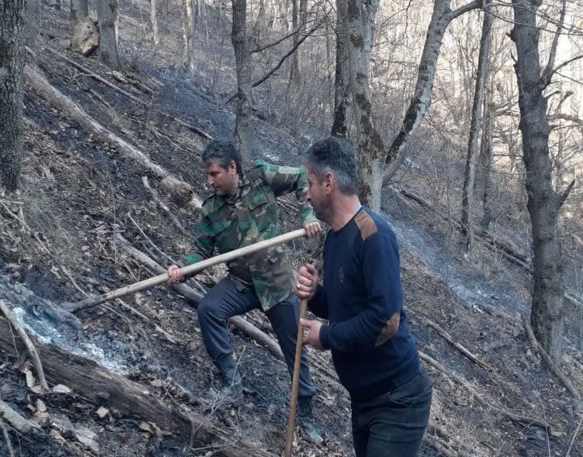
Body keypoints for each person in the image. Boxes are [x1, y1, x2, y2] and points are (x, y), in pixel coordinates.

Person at [166, 139, 323, 442]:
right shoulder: (211, 209)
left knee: (296, 350)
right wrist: (181, 268)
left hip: (277, 284)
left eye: (214, 174)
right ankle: (231, 382)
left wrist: (308, 214)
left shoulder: (262, 177)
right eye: (207, 175)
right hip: (241, 283)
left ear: (233, 168)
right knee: (209, 309)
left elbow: (304, 177)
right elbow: (201, 251)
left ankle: (306, 415)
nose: (208, 181)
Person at [293, 136, 433, 456]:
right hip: (364, 397)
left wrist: (326, 336)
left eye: (310, 183)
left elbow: (385, 320)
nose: (306, 193)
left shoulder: (374, 235)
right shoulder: (334, 239)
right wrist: (315, 295)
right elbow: (347, 308)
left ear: (329, 182)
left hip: (398, 399)